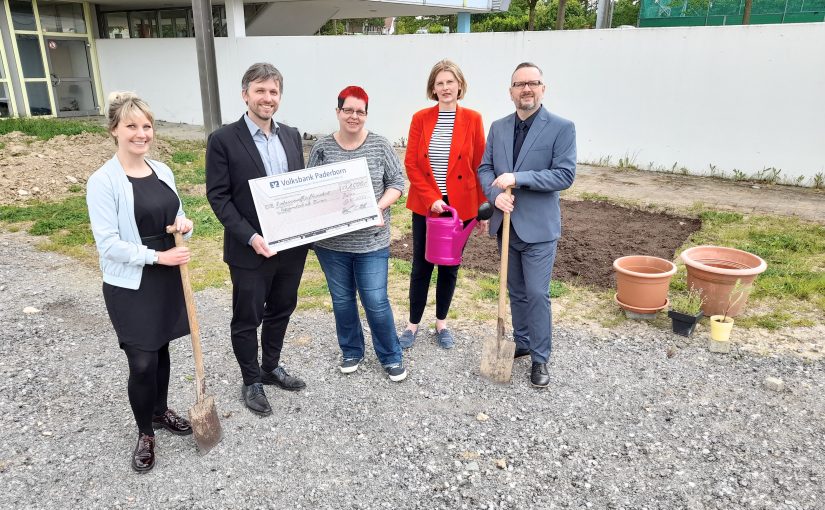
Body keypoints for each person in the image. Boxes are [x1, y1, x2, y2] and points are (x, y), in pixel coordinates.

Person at [86, 92, 194, 473]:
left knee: (162, 349)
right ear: (114, 129)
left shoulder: (162, 170)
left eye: (146, 125)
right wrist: (158, 256)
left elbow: (178, 214)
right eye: (131, 126)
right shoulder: (103, 181)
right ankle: (145, 431)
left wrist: (184, 225)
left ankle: (162, 411)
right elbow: (108, 244)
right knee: (143, 360)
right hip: (131, 282)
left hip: (166, 276)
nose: (141, 133)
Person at [206, 63, 309, 417]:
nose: (268, 98)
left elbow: (300, 189)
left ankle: (271, 366)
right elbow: (219, 197)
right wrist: (250, 237)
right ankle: (251, 380)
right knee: (247, 317)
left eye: (274, 92)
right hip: (251, 248)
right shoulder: (223, 139)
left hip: (290, 247)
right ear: (245, 94)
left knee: (282, 308)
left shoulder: (292, 135)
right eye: (260, 91)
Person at [477, 62, 576, 388]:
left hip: (538, 228)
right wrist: (496, 196)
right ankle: (521, 340)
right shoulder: (499, 127)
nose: (526, 89)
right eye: (520, 84)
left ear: (543, 89)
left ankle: (540, 357)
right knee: (516, 290)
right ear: (511, 92)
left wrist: (518, 179)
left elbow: (564, 175)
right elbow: (486, 168)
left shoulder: (561, 127)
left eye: (533, 83)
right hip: (506, 225)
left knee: (536, 293)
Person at [307, 86, 407, 382]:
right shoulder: (322, 148)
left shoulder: (380, 145)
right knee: (342, 300)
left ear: (366, 114)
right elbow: (310, 189)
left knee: (376, 300)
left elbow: (398, 182)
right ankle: (351, 350)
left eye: (360, 111)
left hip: (371, 242)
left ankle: (391, 355)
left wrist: (378, 206)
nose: (354, 116)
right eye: (348, 110)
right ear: (338, 112)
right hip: (332, 243)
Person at [400, 59, 488, 350]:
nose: (445, 87)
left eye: (450, 81)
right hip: (427, 205)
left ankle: (441, 323)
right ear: (433, 88)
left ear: (460, 85)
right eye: (440, 83)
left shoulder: (473, 119)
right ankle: (412, 325)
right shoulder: (420, 118)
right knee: (421, 266)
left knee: (449, 267)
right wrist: (432, 198)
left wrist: (483, 209)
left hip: (460, 207)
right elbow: (412, 163)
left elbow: (480, 165)